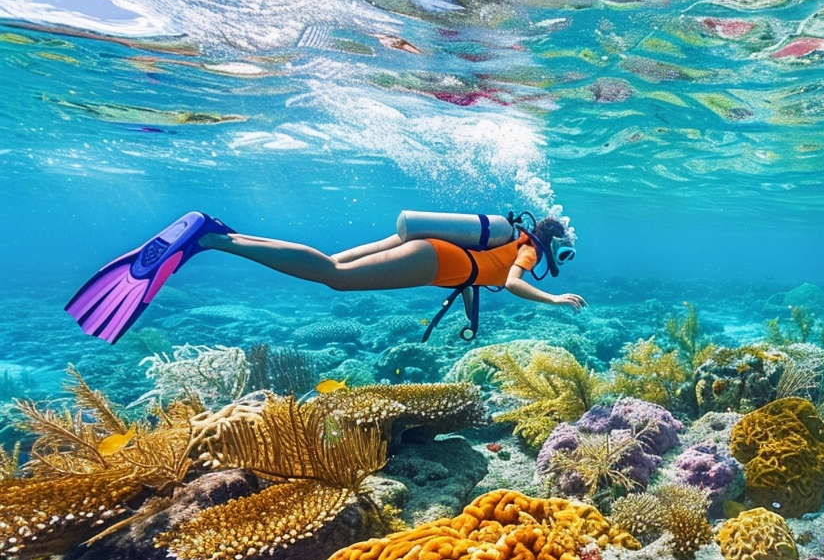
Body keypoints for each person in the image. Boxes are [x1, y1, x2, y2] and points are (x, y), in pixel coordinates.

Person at [65, 210, 585, 344]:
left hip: (428, 247)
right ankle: (210, 239)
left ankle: (219, 233)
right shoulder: (524, 247)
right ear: (551, 241)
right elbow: (513, 282)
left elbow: (479, 279)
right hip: (433, 259)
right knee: (333, 276)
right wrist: (555, 299)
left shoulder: (505, 233)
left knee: (330, 264)